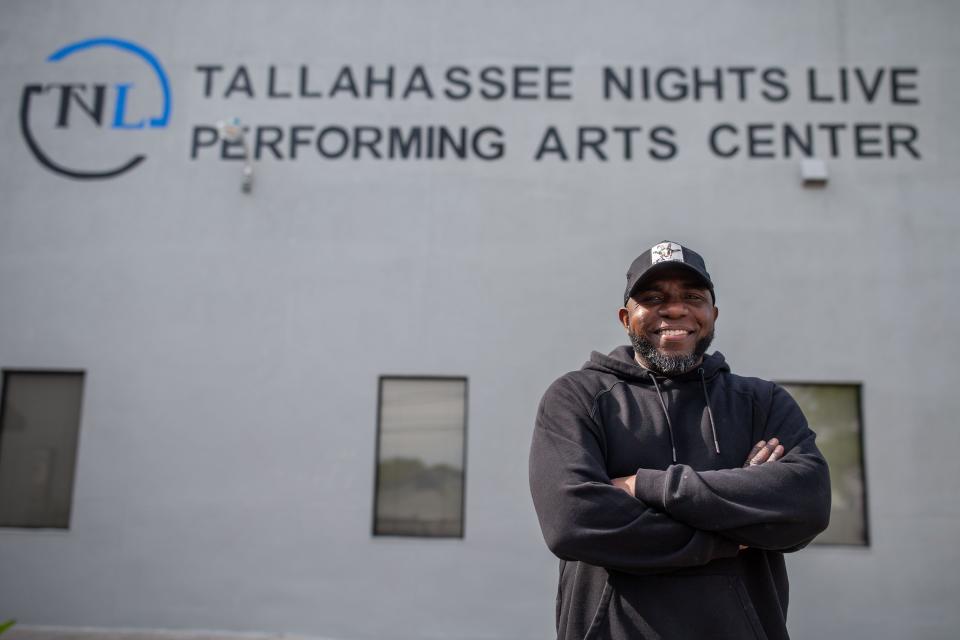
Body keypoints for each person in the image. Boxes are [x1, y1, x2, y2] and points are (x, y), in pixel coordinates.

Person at [528, 241, 831, 640]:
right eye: (653, 298)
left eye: (692, 297)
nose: (674, 309)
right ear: (625, 318)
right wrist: (727, 533)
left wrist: (644, 486)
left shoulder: (761, 402)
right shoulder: (579, 398)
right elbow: (572, 522)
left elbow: (805, 503)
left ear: (712, 314)